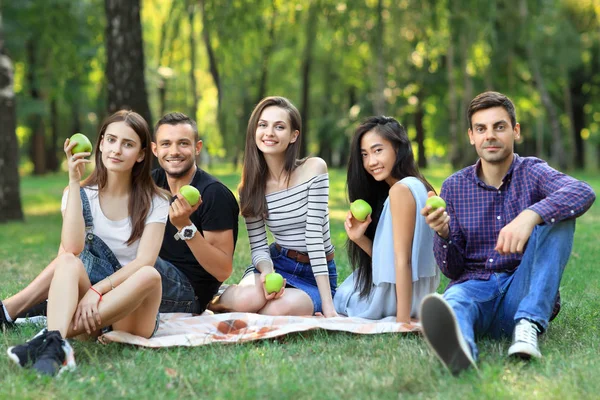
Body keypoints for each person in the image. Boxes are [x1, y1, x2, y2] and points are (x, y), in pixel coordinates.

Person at [419, 91, 596, 375]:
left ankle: (528, 326)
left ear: (515, 131)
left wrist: (531, 214)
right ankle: (459, 347)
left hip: (522, 291)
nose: (490, 135)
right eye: (481, 129)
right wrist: (443, 234)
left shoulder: (533, 172)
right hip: (474, 289)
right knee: (456, 302)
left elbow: (582, 191)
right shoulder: (454, 187)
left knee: (560, 217)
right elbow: (453, 268)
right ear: (471, 136)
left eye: (499, 126)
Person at [4, 110, 170, 376]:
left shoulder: (157, 201)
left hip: (130, 312)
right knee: (68, 260)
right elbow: (71, 250)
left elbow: (145, 261)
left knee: (150, 275)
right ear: (101, 143)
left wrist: (97, 291)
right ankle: (57, 345)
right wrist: (73, 182)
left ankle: (49, 336)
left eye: (128, 144)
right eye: (112, 140)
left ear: (140, 154)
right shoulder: (79, 194)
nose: (117, 149)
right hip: (89, 313)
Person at [214, 96, 338, 317]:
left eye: (279, 127)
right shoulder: (250, 188)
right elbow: (259, 247)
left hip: (315, 273)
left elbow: (314, 238)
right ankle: (220, 299)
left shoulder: (315, 169)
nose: (269, 132)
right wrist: (268, 273)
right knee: (248, 300)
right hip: (278, 263)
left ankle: (249, 300)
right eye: (263, 125)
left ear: (293, 136)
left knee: (276, 310)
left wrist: (329, 309)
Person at [333, 116, 440, 323]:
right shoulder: (419, 185)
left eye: (377, 150)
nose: (371, 162)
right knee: (353, 283)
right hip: (419, 298)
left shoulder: (400, 190)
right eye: (364, 154)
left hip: (395, 302)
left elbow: (403, 262)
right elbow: (393, 260)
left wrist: (402, 322)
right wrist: (359, 238)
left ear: (398, 149)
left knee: (343, 295)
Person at [150, 112, 239, 314]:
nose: (174, 151)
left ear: (196, 147)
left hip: (189, 294)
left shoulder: (214, 194)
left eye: (183, 143)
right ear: (155, 149)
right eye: (165, 144)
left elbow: (222, 270)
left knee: (137, 262)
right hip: (151, 277)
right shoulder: (151, 184)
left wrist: (185, 226)